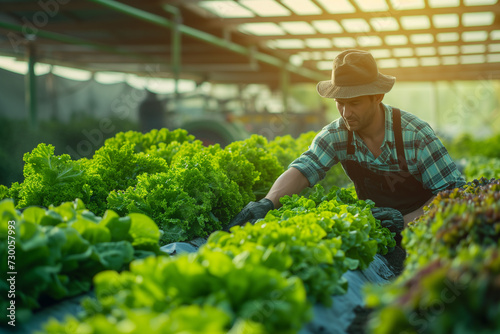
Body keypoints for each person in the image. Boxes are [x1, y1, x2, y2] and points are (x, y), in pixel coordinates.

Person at [228, 49, 465, 238]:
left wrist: (406, 221)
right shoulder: (338, 134)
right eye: (340, 102)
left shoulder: (414, 136)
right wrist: (267, 203)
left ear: (378, 97)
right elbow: (303, 169)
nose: (346, 112)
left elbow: (455, 194)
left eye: (355, 103)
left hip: (426, 230)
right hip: (376, 229)